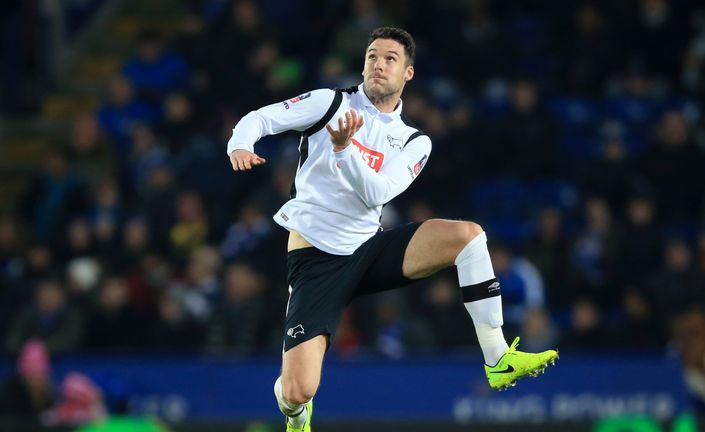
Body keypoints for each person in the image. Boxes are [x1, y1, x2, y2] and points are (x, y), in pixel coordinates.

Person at [227, 27, 558, 432]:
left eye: (390, 59)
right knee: (298, 390)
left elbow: (377, 194)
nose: (378, 65)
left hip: (368, 250)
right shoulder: (329, 103)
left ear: (408, 74)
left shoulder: (414, 140)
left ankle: (498, 358)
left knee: (469, 237)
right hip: (316, 261)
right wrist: (239, 146)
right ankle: (297, 417)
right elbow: (261, 118)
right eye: (372, 56)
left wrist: (344, 151)